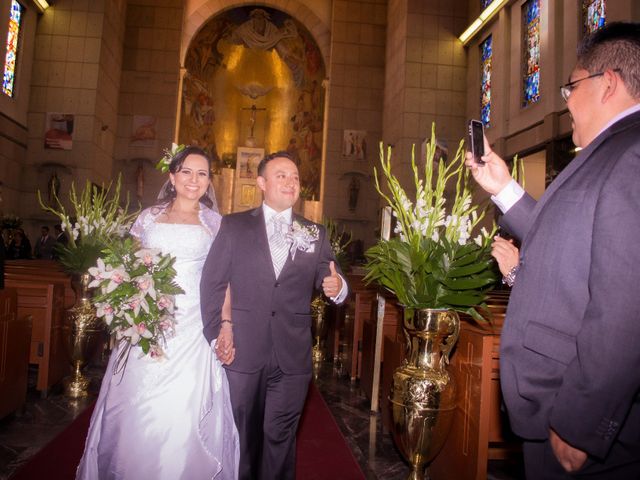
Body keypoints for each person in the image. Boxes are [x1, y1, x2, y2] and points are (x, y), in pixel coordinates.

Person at [466, 22, 640, 479]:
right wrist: (502, 188)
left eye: (571, 86)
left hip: (577, 422)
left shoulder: (632, 153)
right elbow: (566, 238)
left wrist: (583, 422)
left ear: (608, 84)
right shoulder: (611, 154)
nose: (565, 100)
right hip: (553, 406)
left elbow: (627, 303)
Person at [77, 146, 239, 480]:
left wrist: (226, 323)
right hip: (146, 319)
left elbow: (224, 280)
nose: (193, 180)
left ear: (209, 181)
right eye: (186, 172)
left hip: (193, 325)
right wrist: (126, 299)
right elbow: (128, 264)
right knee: (136, 399)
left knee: (185, 404)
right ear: (172, 175)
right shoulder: (148, 217)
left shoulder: (216, 224)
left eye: (202, 174)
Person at [200, 151, 348, 480]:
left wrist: (338, 287)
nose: (290, 181)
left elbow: (333, 277)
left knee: (281, 438)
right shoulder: (235, 226)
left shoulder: (315, 233)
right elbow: (213, 282)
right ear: (262, 183)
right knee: (245, 439)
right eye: (281, 175)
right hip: (243, 350)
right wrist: (217, 334)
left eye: (295, 177)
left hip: (292, 356)